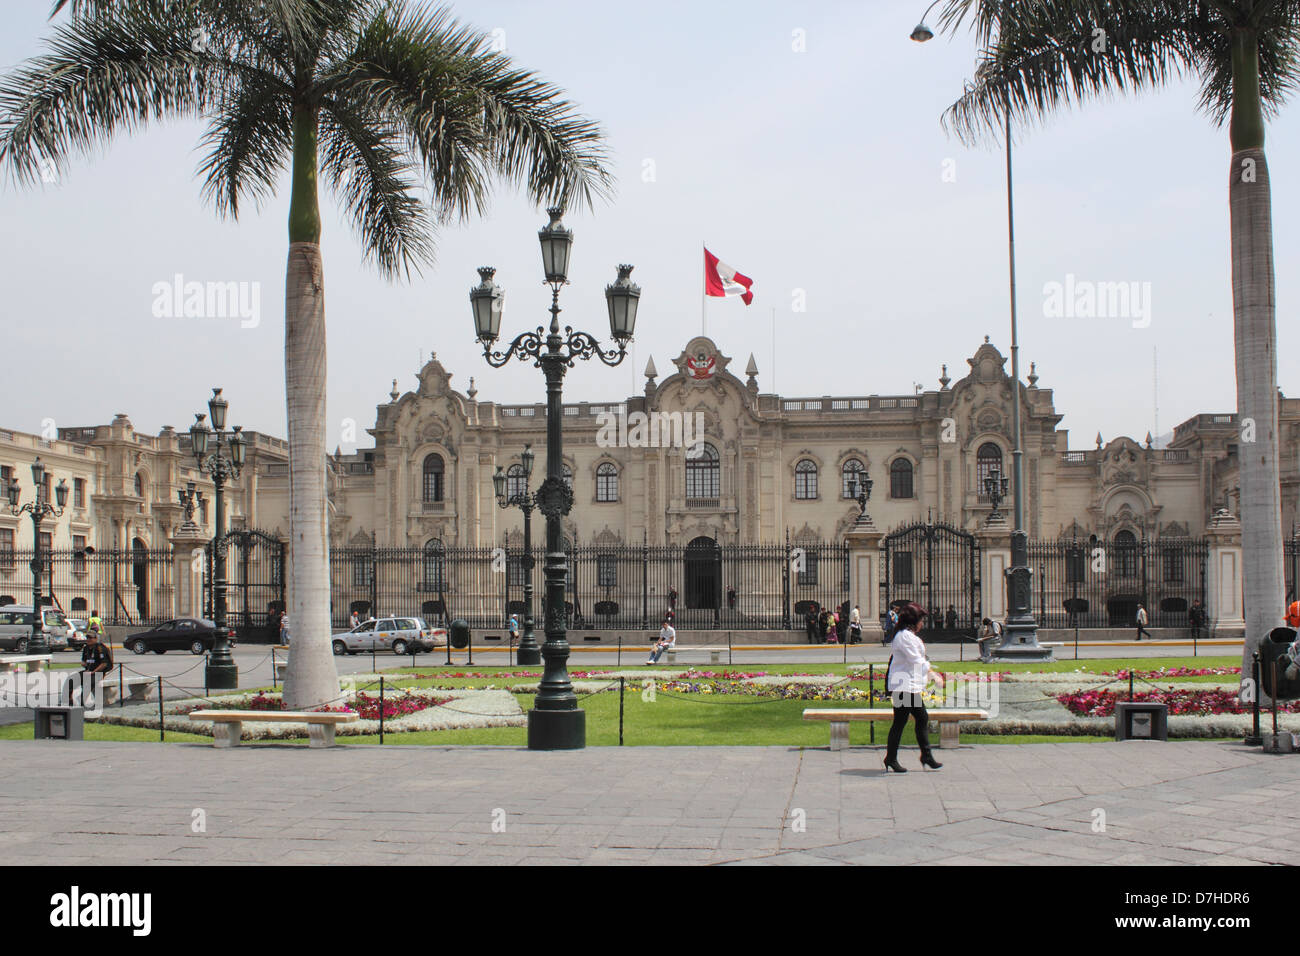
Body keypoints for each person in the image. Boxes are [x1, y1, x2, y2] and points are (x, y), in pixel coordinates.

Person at [884, 603, 943, 773]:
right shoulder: (904, 637)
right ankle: (918, 756)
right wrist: (933, 675)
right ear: (913, 621)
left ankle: (917, 756)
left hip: (907, 685)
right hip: (904, 686)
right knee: (907, 720)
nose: (922, 624)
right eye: (921, 620)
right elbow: (916, 660)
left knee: (914, 719)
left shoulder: (906, 636)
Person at [68, 628, 114, 706]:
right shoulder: (86, 648)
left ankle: (82, 703)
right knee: (71, 680)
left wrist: (93, 672)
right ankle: (69, 700)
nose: (88, 639)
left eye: (91, 638)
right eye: (87, 637)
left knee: (87, 683)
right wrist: (84, 664)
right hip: (88, 671)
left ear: (96, 638)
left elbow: (104, 664)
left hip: (98, 673)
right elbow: (83, 661)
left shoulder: (100, 648)